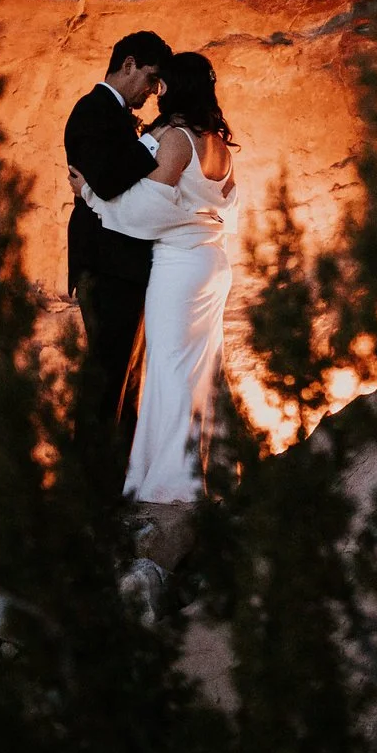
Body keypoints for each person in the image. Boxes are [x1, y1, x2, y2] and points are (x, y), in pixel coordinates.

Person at [71, 51, 239, 620]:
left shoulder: (175, 139)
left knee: (168, 366)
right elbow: (219, 201)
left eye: (163, 85)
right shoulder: (216, 139)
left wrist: (91, 195)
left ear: (175, 88)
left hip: (179, 265)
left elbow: (149, 208)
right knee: (198, 371)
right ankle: (193, 470)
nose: (157, 92)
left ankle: (167, 484)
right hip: (214, 261)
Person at [63, 30, 172, 496]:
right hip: (104, 266)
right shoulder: (92, 112)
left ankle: (114, 484)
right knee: (106, 378)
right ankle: (88, 490)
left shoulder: (121, 119)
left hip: (125, 267)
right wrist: (151, 147)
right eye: (150, 78)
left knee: (126, 378)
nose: (153, 91)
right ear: (128, 64)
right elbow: (106, 183)